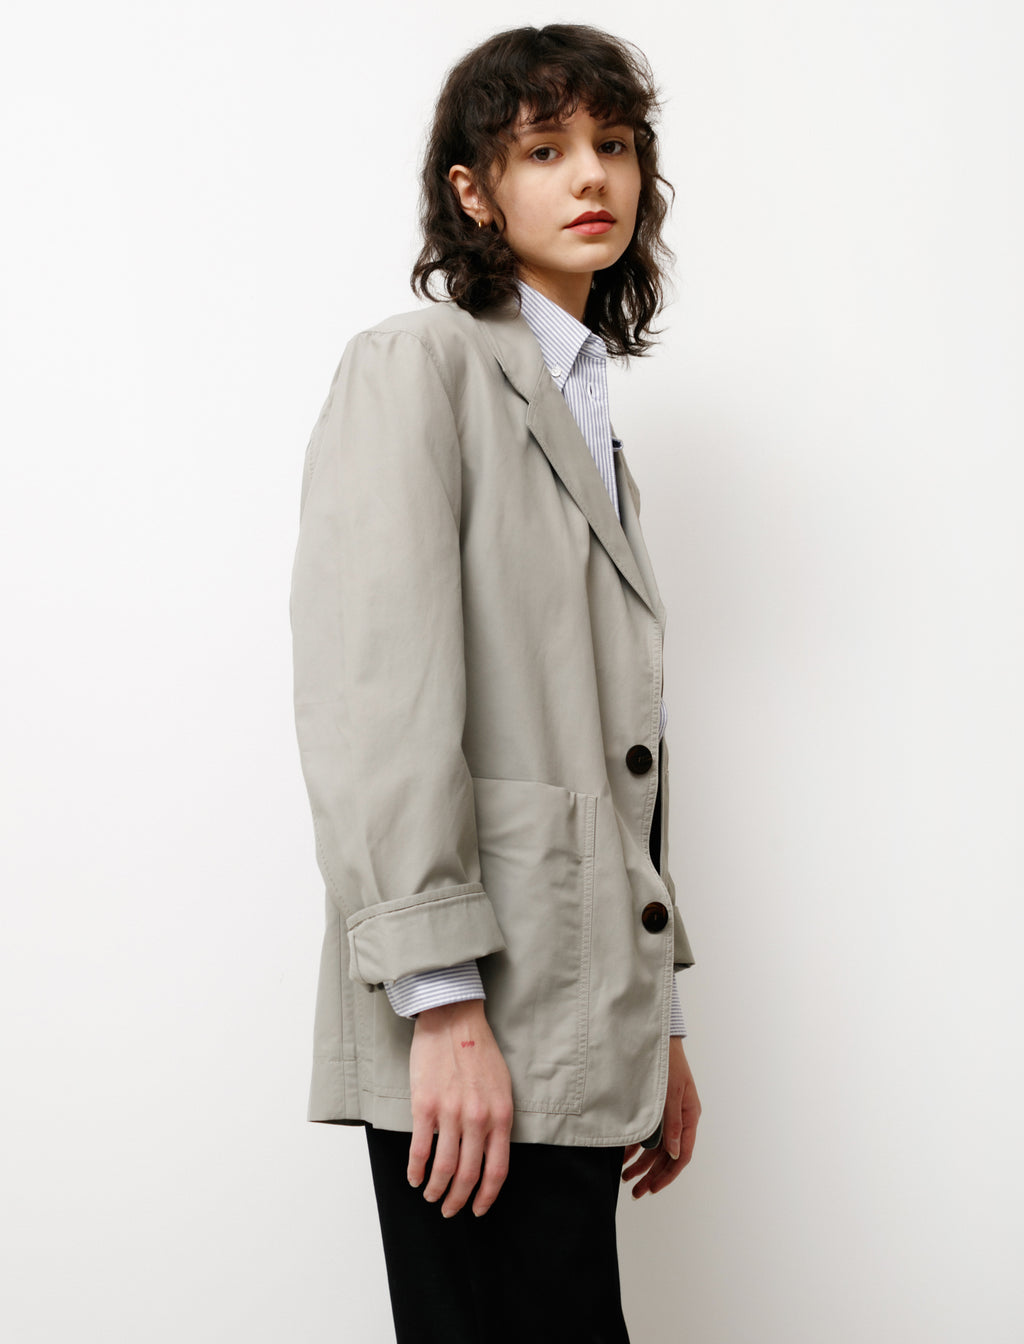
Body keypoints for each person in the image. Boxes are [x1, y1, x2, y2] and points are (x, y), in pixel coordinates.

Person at [290, 23, 700, 1343]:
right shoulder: (420, 367)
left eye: (613, 145)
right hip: (477, 1015)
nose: (592, 176)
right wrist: (445, 1005)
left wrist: (658, 1017)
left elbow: (615, 748)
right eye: (545, 149)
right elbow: (377, 702)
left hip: (580, 1009)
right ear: (474, 191)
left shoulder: (584, 409)